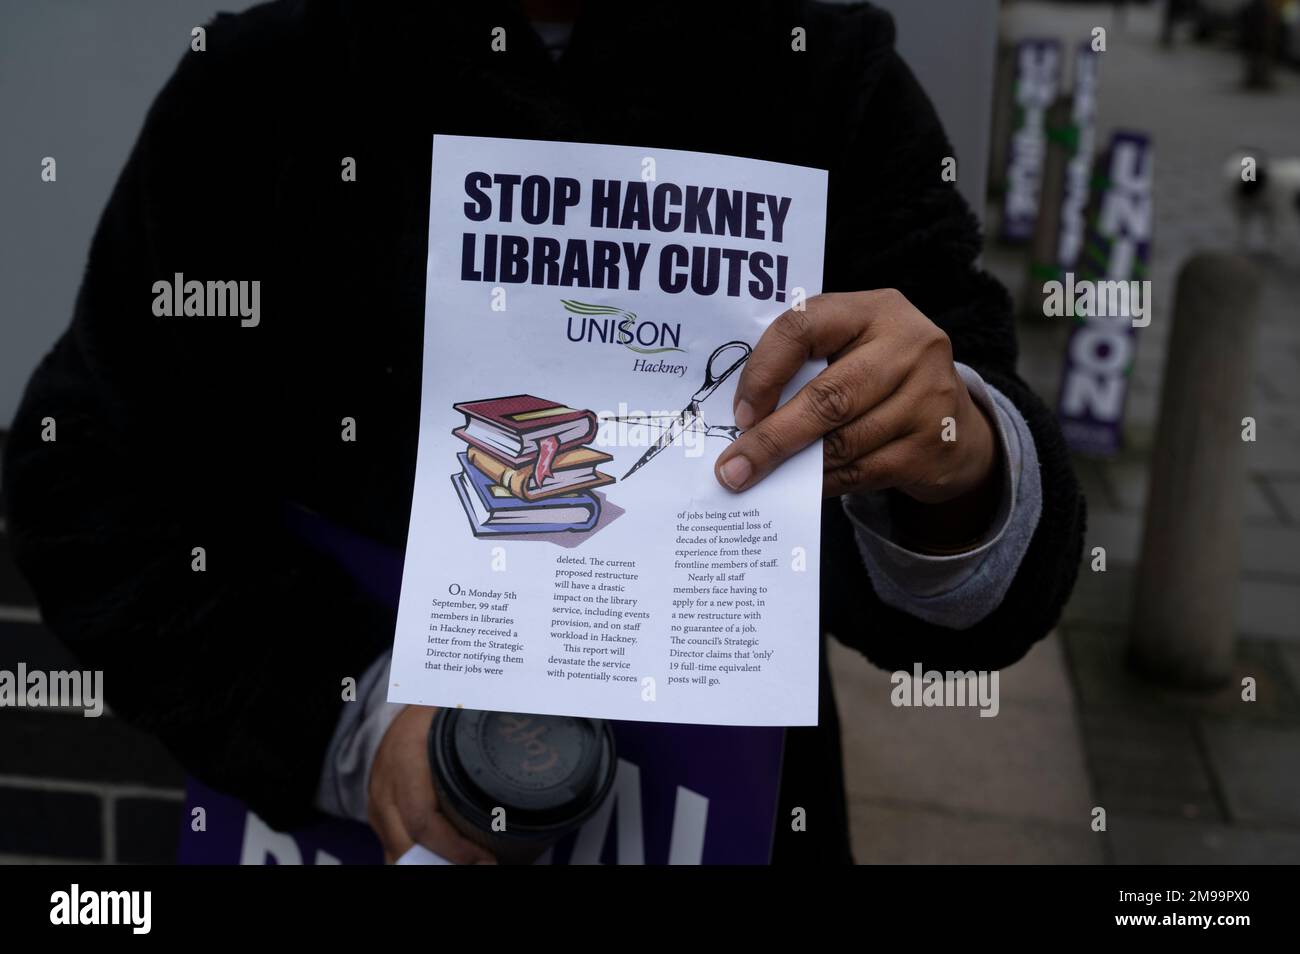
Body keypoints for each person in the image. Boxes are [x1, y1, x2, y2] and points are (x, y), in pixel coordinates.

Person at [2, 0, 1084, 864]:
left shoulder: (828, 82)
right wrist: (349, 718)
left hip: (724, 807)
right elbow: (85, 482)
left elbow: (976, 604)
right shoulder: (260, 89)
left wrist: (960, 463)